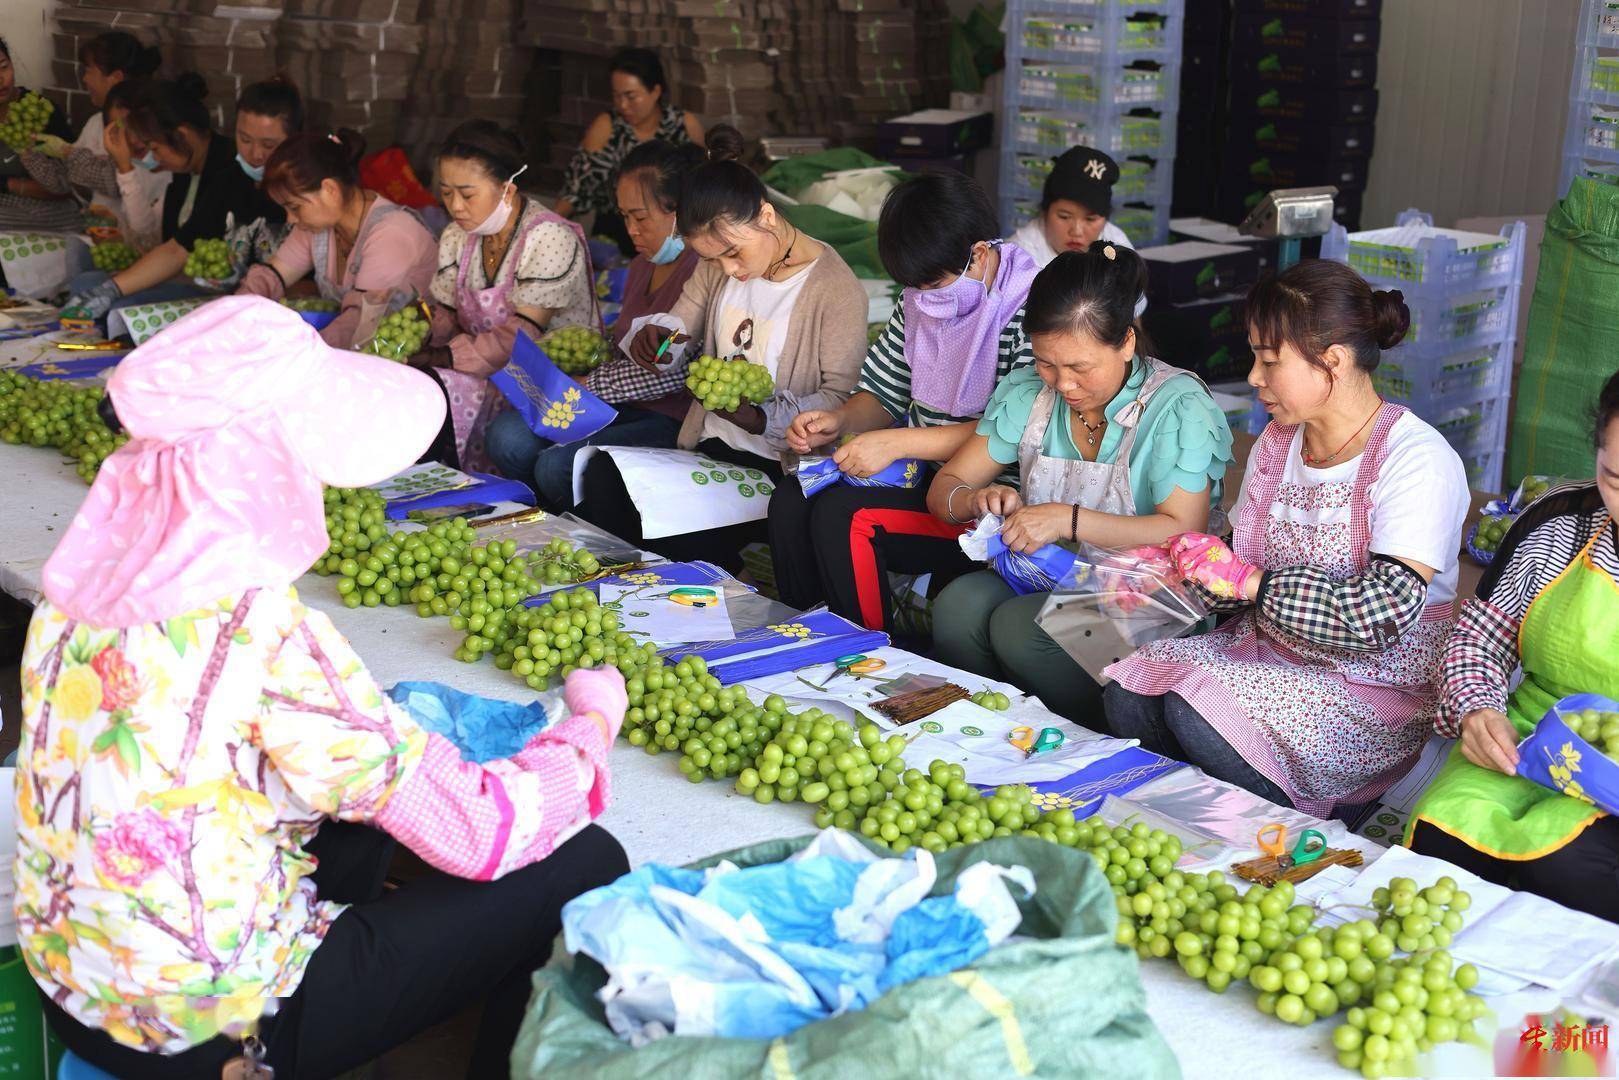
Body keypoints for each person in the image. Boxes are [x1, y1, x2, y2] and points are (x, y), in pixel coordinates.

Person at [17, 296, 630, 1079]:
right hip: (212, 1025)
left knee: (379, 813)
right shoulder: (258, 628)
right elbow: (482, 831)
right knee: (581, 856)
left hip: (75, 981)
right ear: (262, 466)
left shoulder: (74, 590)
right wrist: (590, 729)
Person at [1104, 260, 1471, 820]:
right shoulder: (1279, 444)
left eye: (1269, 361)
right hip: (1268, 652)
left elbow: (1381, 614)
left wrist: (1251, 582)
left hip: (1371, 681)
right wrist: (1184, 569)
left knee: (1195, 713)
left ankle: (1302, 824)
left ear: (1334, 362)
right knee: (1129, 693)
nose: (1253, 377)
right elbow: (1242, 563)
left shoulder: (1417, 460)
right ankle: (1190, 822)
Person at [925, 245, 1233, 724]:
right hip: (1054, 574)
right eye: (1048, 363)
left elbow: (1183, 532)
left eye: (1080, 367)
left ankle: (1103, 736)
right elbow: (947, 486)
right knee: (958, 607)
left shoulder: (1177, 406)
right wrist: (974, 497)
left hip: (1158, 592)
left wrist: (1067, 520)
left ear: (1127, 343)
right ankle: (993, 733)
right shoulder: (1030, 392)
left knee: (1022, 629)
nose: (1063, 384)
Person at [577, 125, 868, 570]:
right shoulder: (717, 267)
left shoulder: (834, 287)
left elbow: (838, 399)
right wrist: (656, 336)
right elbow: (682, 321)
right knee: (603, 477)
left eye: (733, 253)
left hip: (778, 467)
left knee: (673, 532)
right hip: (712, 449)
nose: (728, 270)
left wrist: (759, 417)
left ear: (767, 217)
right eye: (714, 259)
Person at [767, 170, 1040, 633]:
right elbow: (884, 391)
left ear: (978, 253)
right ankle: (806, 639)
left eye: (934, 284)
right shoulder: (917, 300)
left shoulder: (1030, 311)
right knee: (793, 499)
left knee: (846, 517)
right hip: (918, 474)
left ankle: (871, 659)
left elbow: (1010, 432)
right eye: (916, 288)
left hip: (985, 497)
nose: (924, 299)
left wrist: (896, 444)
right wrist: (837, 420)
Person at [1403, 373, 1619, 921]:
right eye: (1615, 478)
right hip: (1526, 741)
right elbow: (1477, 644)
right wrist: (1477, 710)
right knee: (1443, 844)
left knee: (1571, 871)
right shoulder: (1560, 525)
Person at [486, 138, 703, 508]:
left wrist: (590, 383)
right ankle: (547, 518)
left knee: (559, 465)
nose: (631, 230)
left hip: (671, 418)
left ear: (679, 212)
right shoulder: (640, 266)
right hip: (619, 406)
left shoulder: (701, 271)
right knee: (506, 435)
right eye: (624, 217)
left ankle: (580, 530)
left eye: (641, 217)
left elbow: (670, 372)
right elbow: (624, 343)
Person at [410, 120, 595, 470]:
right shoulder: (456, 236)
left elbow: (522, 337)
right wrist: (416, 335)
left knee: (437, 388)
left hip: (540, 382)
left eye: (467, 194)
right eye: (446, 193)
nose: (455, 206)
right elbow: (445, 312)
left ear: (507, 190)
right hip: (478, 370)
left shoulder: (549, 236)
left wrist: (444, 357)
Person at [62, 76, 294, 325]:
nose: (255, 154)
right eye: (245, 140)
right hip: (223, 296)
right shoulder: (227, 179)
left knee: (123, 311)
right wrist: (111, 289)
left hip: (252, 308)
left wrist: (244, 279)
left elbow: (306, 281)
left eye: (268, 144)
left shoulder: (295, 193)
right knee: (94, 287)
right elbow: (178, 248)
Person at [236, 129, 437, 349]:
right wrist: (234, 316)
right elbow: (271, 275)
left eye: (295, 207)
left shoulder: (392, 233)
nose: (290, 219)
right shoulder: (317, 227)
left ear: (329, 190)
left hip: (409, 358)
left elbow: (360, 323)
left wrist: (303, 354)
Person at [18, 32, 166, 244]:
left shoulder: (147, 132)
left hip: (135, 244)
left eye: (88, 70)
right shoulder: (95, 122)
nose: (85, 79)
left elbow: (114, 181)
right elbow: (64, 183)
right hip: (98, 239)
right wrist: (28, 152)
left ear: (115, 78)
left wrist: (68, 152)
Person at [554, 47, 704, 253]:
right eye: (616, 96)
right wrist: (548, 223)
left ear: (656, 91)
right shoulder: (607, 126)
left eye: (631, 96)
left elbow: (705, 180)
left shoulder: (683, 124)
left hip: (674, 233)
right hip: (616, 233)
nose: (623, 105)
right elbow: (577, 189)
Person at [0, 37, 77, 233]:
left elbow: (70, 186)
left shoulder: (38, 111)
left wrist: (6, 184)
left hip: (47, 210)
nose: (0, 79)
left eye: (3, 67)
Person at [1010, 146, 1134, 267]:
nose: (1076, 231)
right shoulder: (1019, 258)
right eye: (1064, 216)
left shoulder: (1117, 245)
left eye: (1090, 219)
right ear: (1045, 211)